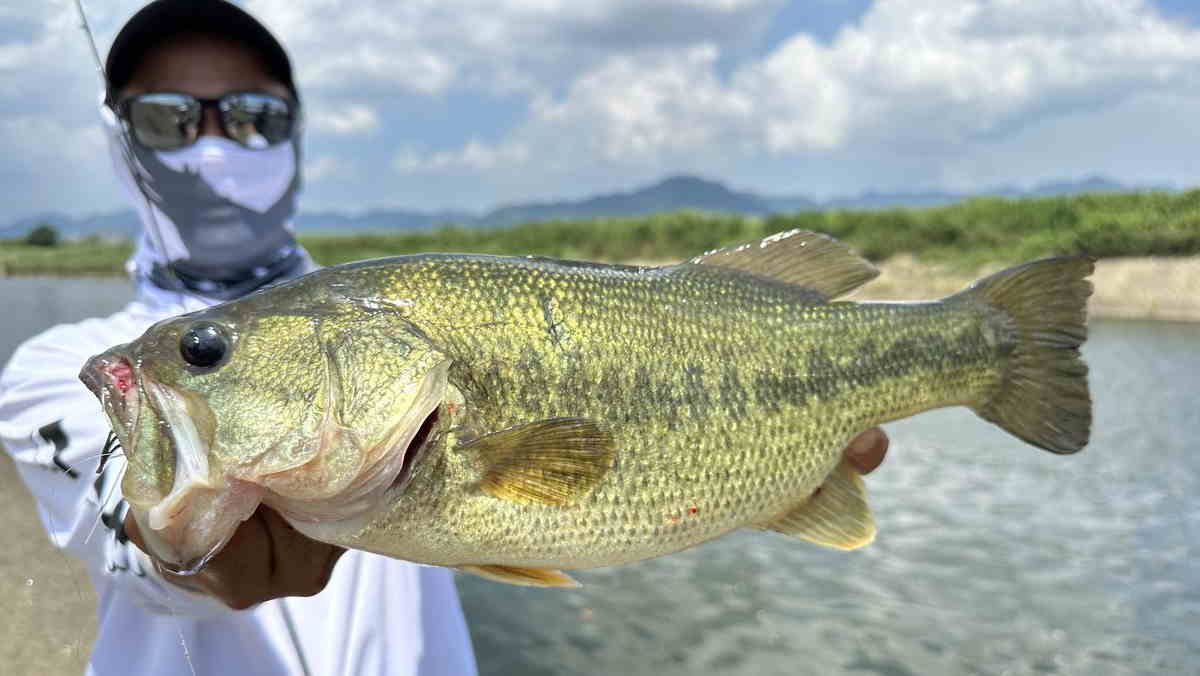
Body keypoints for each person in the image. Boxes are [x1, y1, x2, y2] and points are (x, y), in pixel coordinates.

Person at [0, 1, 890, 674]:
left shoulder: (396, 305)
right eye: (167, 117)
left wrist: (764, 468)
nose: (215, 143)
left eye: (253, 118)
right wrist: (178, 549)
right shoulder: (50, 371)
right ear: (120, 142)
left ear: (297, 138)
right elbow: (118, 508)